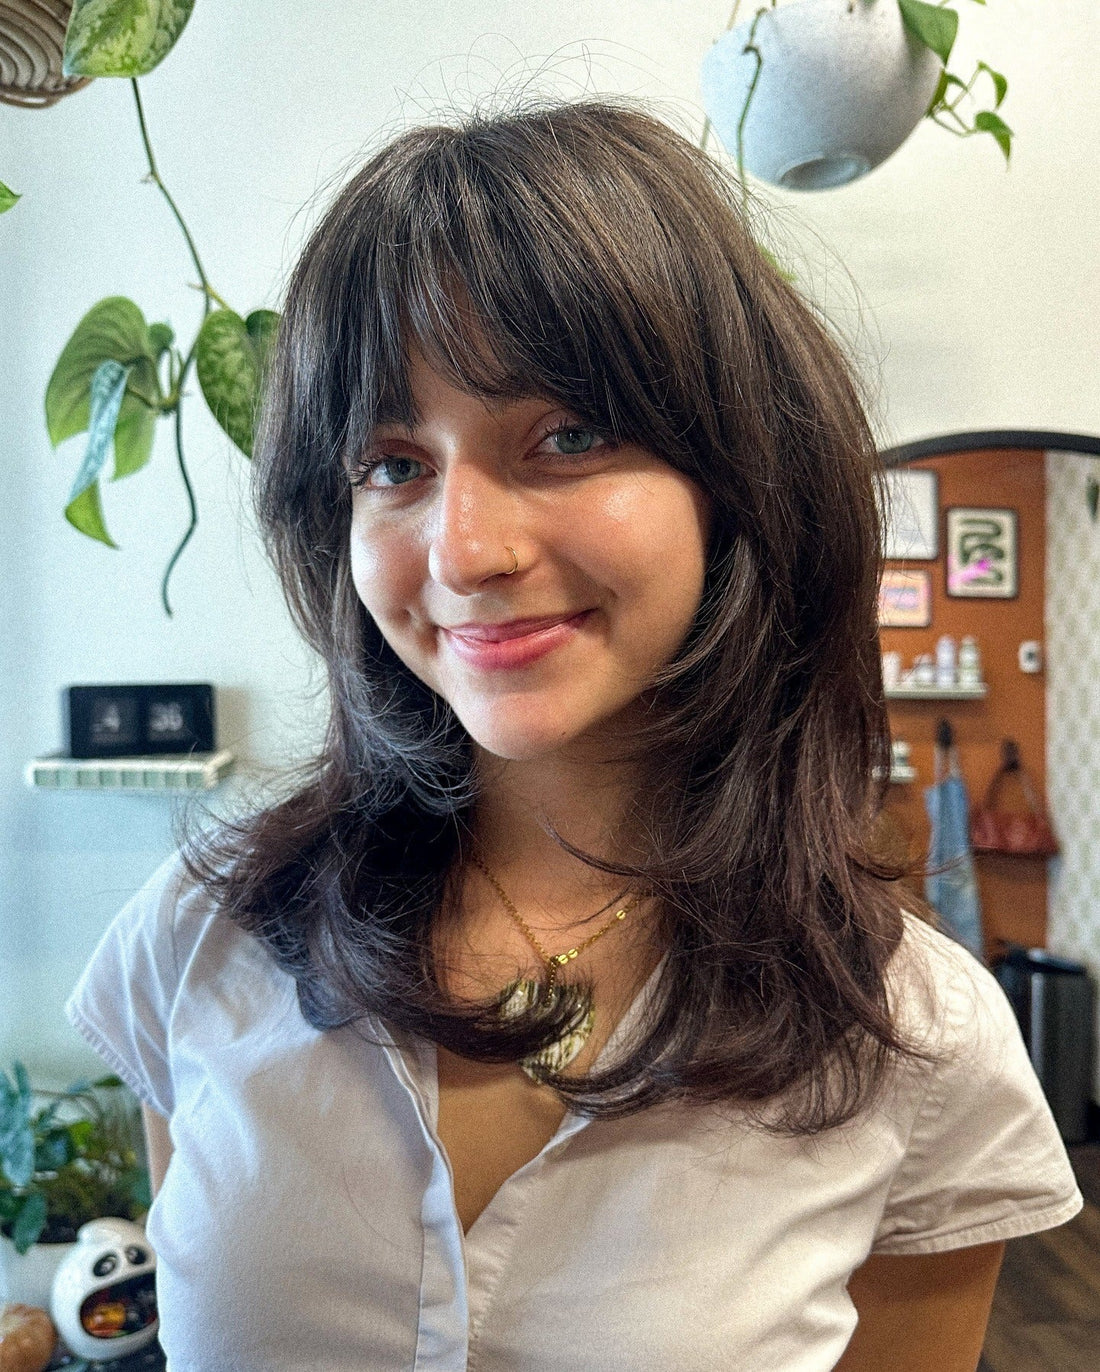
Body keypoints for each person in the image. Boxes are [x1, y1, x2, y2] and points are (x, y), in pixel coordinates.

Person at [67, 99, 1081, 1372]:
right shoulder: (199, 934)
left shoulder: (913, 1037)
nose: (462, 551)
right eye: (392, 463)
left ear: (740, 478)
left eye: (567, 435)